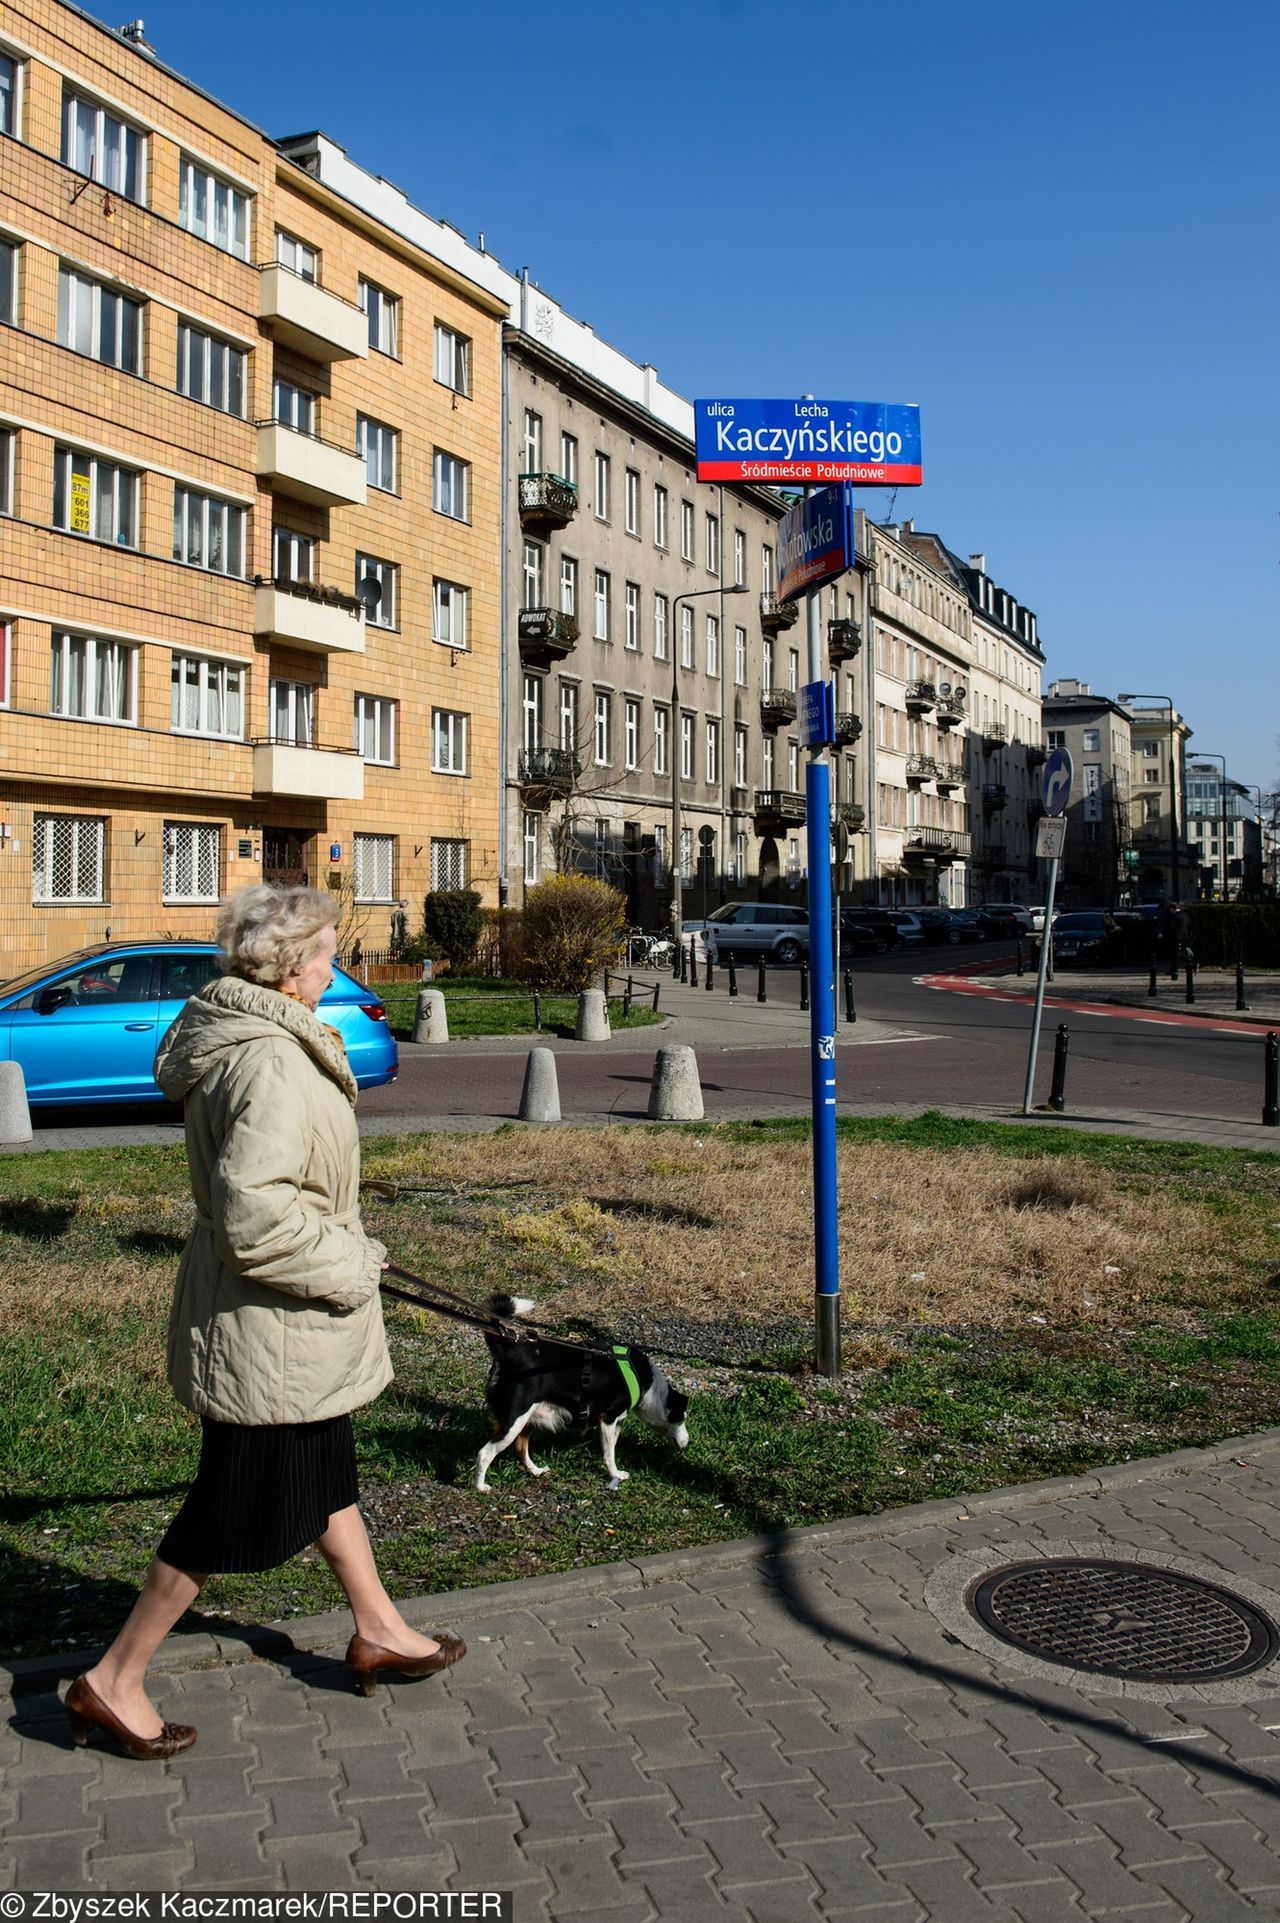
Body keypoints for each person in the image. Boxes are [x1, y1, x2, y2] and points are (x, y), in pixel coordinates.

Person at [65, 885, 464, 1760]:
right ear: (289, 969)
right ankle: (113, 1678)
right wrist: (352, 1262)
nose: (335, 965)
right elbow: (257, 1217)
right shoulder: (272, 1061)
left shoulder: (252, 1036)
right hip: (271, 1324)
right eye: (324, 951)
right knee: (232, 1507)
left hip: (279, 1321)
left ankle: (379, 1625)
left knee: (324, 1469)